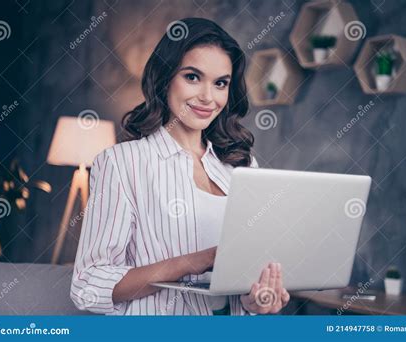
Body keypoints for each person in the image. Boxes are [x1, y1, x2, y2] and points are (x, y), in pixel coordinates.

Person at [71, 17, 290, 315]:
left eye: (220, 83)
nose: (207, 97)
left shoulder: (242, 166)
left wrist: (257, 301)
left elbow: (243, 284)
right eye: (192, 77)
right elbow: (88, 284)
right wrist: (197, 260)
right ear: (165, 78)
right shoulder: (122, 163)